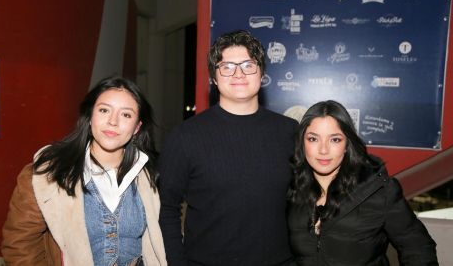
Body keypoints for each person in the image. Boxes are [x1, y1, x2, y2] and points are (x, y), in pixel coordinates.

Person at [158, 30, 297, 266]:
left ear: (261, 73)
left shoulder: (290, 131)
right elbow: (167, 209)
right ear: (214, 77)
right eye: (227, 67)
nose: (239, 73)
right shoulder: (184, 137)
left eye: (248, 65)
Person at [2, 76, 167, 266]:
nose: (113, 121)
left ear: (137, 127)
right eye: (104, 110)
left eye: (126, 115)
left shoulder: (149, 175)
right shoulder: (48, 173)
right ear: (90, 117)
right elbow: (20, 245)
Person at [288, 100, 438, 266]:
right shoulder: (290, 189)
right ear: (302, 143)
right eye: (313, 139)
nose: (323, 150)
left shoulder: (378, 190)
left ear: (347, 144)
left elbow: (418, 248)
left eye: (335, 140)